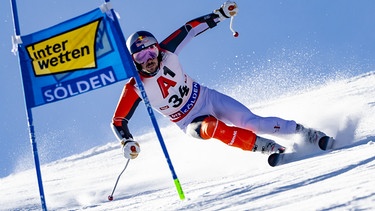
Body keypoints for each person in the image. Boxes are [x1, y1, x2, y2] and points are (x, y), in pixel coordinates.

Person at [111, 1, 328, 160]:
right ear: (133, 61)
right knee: (214, 127)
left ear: (157, 48)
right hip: (189, 121)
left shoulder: (168, 52)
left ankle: (307, 133)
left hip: (207, 98)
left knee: (251, 122)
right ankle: (269, 148)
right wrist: (126, 140)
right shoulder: (135, 86)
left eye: (151, 51)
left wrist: (221, 14)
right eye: (140, 56)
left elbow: (190, 29)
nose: (148, 59)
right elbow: (119, 121)